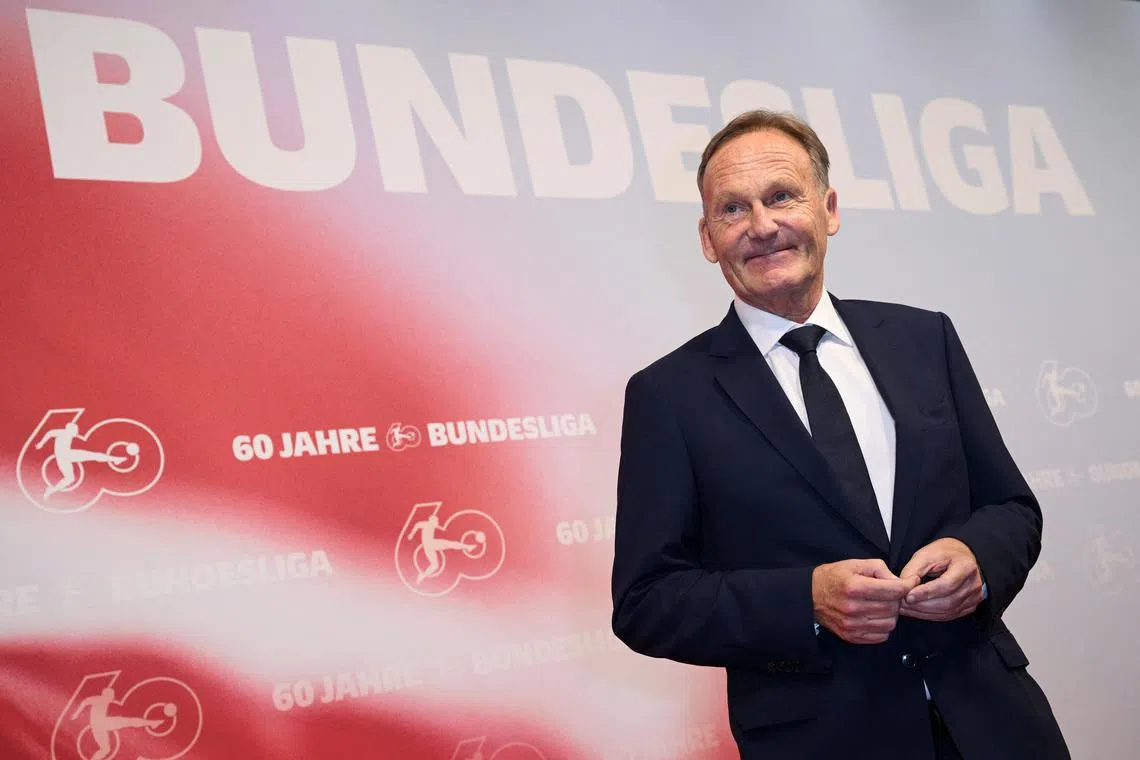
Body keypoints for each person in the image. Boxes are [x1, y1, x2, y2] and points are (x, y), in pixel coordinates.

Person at [610, 109, 1070, 760]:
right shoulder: (668, 395)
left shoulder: (924, 338)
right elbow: (647, 601)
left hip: (996, 723)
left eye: (782, 196)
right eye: (733, 209)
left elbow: (1011, 507)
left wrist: (977, 558)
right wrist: (806, 601)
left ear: (828, 210)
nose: (762, 225)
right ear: (708, 238)